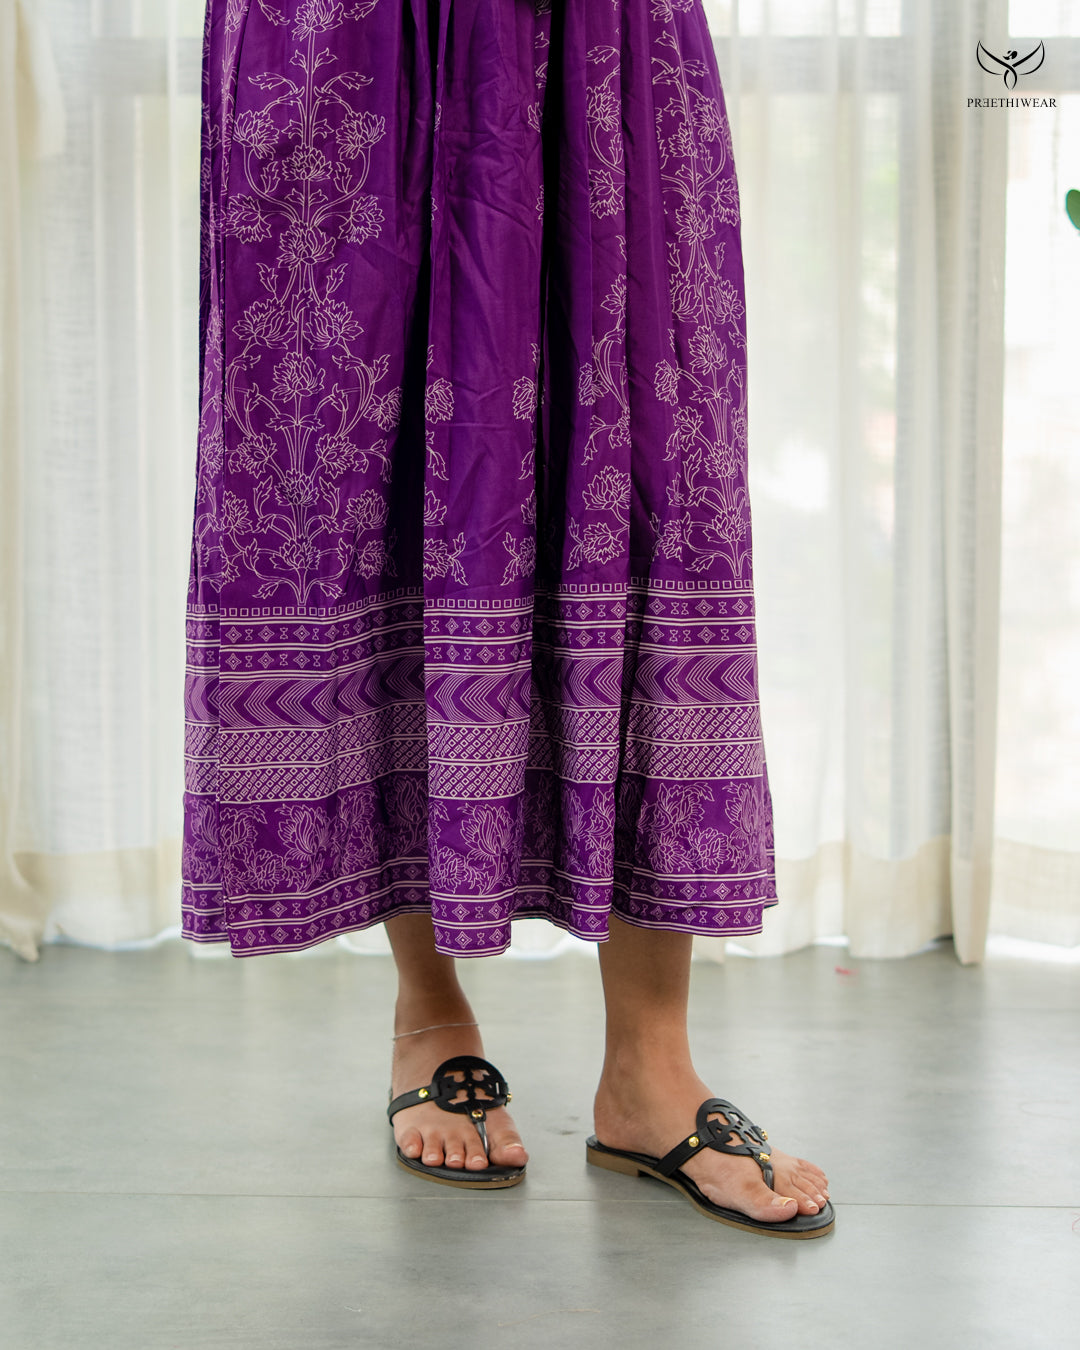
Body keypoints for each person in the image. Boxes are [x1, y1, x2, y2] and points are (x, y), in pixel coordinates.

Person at [182, 0, 831, 1238]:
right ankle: (430, 1011)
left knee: (648, 447)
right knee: (365, 462)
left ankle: (649, 1069)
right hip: (345, 34)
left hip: (604, 28)